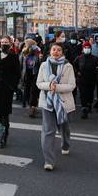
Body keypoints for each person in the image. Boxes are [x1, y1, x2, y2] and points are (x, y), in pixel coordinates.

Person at [36, 43, 76, 171]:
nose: (56, 52)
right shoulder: (44, 65)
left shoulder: (68, 66)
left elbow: (71, 85)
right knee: (48, 130)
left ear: (62, 52)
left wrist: (56, 87)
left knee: (64, 128)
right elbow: (39, 83)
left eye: (59, 50)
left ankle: (65, 145)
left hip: (63, 103)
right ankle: (49, 161)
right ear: (50, 51)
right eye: (54, 49)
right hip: (48, 103)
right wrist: (49, 86)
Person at [0, 37, 20, 148]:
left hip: (7, 89)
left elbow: (17, 73)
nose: (4, 44)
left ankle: (3, 134)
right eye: (2, 42)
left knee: (4, 112)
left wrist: (13, 86)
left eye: (6, 43)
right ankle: (4, 126)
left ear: (10, 44)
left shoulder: (14, 57)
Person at [73, 42, 98, 119]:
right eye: (85, 47)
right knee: (83, 95)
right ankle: (84, 109)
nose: (87, 49)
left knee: (90, 94)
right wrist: (77, 72)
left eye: (88, 48)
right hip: (82, 80)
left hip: (91, 79)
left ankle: (89, 105)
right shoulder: (79, 58)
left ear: (90, 49)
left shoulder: (95, 58)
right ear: (83, 49)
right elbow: (74, 65)